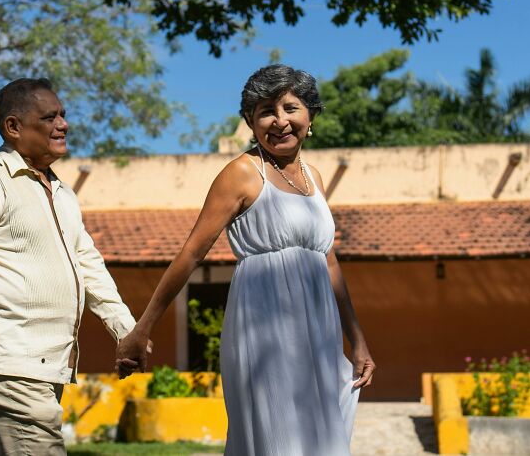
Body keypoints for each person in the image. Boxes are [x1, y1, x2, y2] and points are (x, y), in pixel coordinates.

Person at [116, 65, 376, 455]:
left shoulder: (315, 177)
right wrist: (143, 327)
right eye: (266, 111)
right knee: (278, 437)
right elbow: (190, 253)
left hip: (318, 330)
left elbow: (330, 261)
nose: (280, 121)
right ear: (251, 122)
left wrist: (357, 340)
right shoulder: (241, 173)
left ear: (311, 115)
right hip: (264, 324)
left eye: (291, 108)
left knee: (319, 437)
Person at [0, 78, 141, 455]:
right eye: (50, 117)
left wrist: (126, 330)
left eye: (63, 115)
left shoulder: (62, 193)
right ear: (14, 127)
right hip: (7, 361)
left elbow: (88, 264)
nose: (64, 124)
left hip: (44, 365)